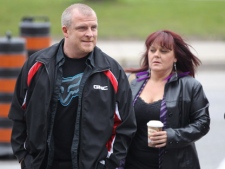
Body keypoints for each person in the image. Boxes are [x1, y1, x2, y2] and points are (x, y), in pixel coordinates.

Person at [8, 3, 136, 169]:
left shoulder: (111, 71)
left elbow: (125, 125)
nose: (90, 34)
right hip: (42, 164)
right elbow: (19, 112)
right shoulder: (38, 65)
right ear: (65, 31)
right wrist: (24, 157)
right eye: (82, 28)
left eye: (94, 27)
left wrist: (108, 165)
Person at [124, 30, 210, 169]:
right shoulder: (133, 82)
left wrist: (171, 136)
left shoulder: (190, 86)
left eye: (163, 51)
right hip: (133, 163)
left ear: (175, 57)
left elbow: (202, 123)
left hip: (175, 163)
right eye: (152, 50)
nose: (156, 55)